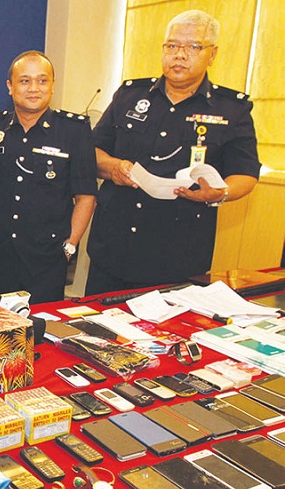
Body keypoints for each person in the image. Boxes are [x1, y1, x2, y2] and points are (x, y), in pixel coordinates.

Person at [86, 9, 259, 295]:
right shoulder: (130, 95)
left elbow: (246, 173)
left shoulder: (231, 109)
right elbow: (91, 151)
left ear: (212, 54)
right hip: (114, 247)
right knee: (94, 321)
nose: (179, 55)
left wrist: (220, 193)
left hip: (178, 254)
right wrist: (113, 167)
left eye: (193, 47)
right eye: (172, 46)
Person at [0, 51, 97, 304]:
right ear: (10, 87)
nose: (34, 88)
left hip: (47, 259)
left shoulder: (74, 130)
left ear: (53, 85)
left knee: (42, 326)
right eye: (24, 81)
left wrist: (70, 245)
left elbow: (86, 197)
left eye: (42, 80)